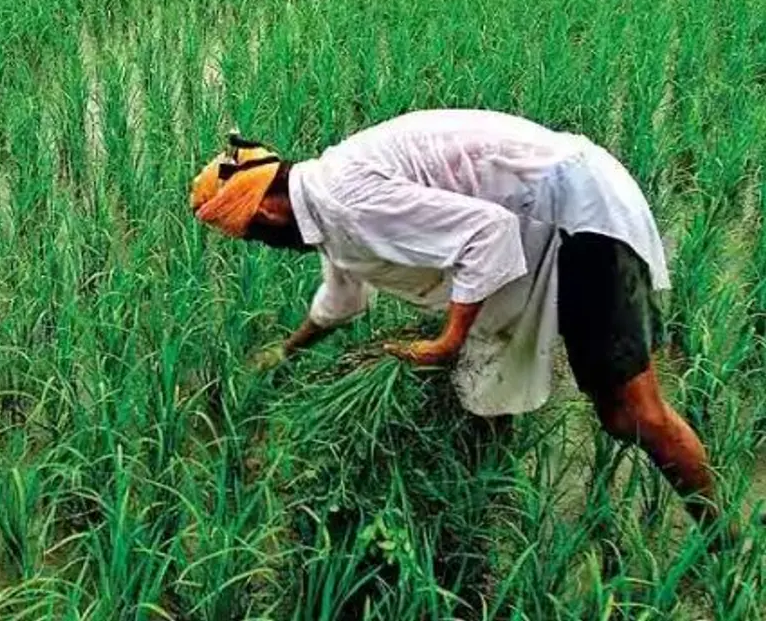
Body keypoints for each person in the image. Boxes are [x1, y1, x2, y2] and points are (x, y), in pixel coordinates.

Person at [189, 108, 728, 538]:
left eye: (256, 238)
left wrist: (448, 339)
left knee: (630, 413)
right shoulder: (326, 203)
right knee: (491, 380)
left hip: (579, 211)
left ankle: (721, 540)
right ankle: (482, 488)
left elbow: (486, 234)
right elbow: (341, 297)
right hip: (549, 214)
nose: (269, 248)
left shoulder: (344, 201)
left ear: (265, 213)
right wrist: (287, 352)